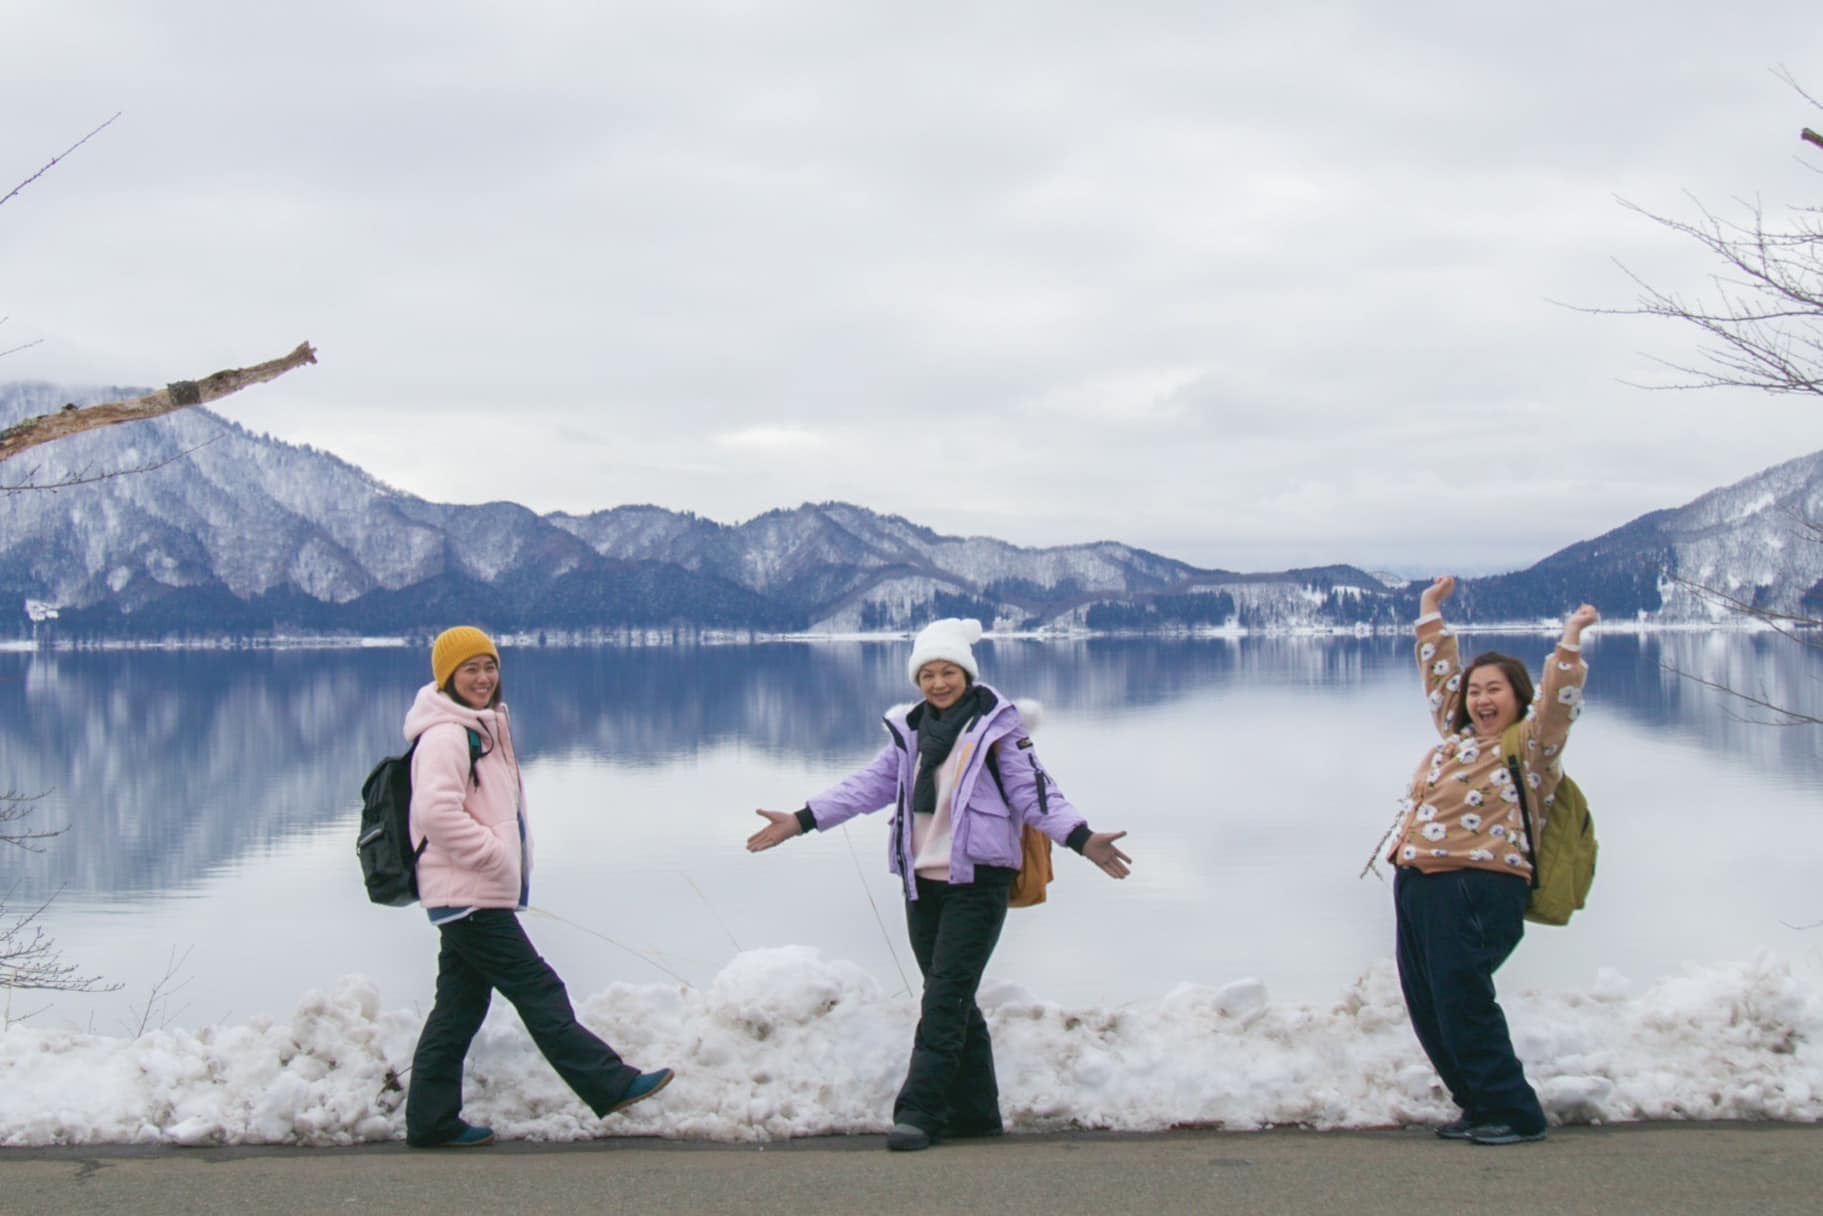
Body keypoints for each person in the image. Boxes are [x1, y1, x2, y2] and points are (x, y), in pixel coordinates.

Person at [746, 618, 1134, 1152]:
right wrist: (802, 818)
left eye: (947, 671)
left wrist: (1082, 837)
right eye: (927, 674)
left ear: (967, 675)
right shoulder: (911, 734)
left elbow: (1036, 794)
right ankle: (977, 1115)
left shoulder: (999, 732)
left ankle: (920, 1111)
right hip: (920, 883)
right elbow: (867, 786)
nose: (937, 683)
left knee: (945, 996)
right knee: (950, 996)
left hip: (979, 880)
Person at [403, 625, 674, 1148]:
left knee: (458, 1009)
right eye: (470, 669)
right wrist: (491, 853)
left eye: (489, 667)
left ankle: (430, 1122)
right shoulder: (445, 735)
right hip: (468, 895)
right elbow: (435, 813)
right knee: (538, 988)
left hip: (468, 895)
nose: (483, 678)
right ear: (447, 677)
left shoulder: (481, 726)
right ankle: (609, 1083)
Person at [1385, 578, 1597, 1147]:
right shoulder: (1455, 739)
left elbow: (1560, 702)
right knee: (1429, 1003)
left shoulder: (1531, 746)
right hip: (1420, 882)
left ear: (1519, 697)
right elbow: (1438, 681)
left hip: (1478, 886)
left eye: (1495, 690)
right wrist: (1430, 612)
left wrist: (1570, 641)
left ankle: (1514, 1111)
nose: (1480, 699)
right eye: (1475, 689)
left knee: (1463, 998)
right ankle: (1478, 1105)